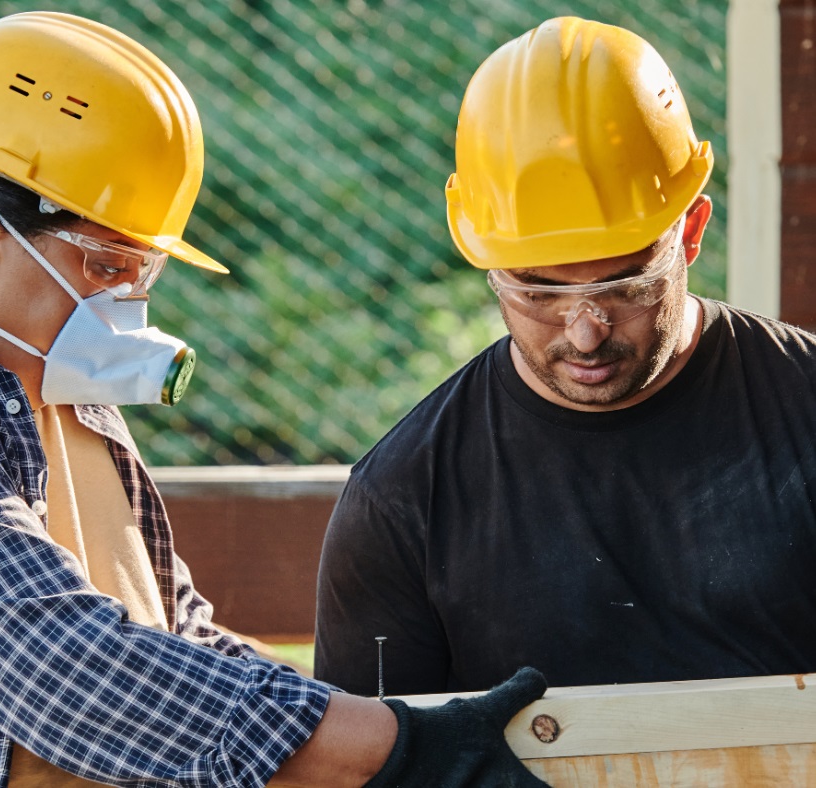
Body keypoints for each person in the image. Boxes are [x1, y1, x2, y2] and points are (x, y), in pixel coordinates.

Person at [0, 11, 550, 787]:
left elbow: (177, 635)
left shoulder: (69, 397)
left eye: (145, 271)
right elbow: (62, 667)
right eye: (105, 264)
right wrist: (399, 750)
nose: (128, 300)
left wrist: (365, 723)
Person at [315, 15, 816, 698]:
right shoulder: (405, 500)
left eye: (625, 285)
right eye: (538, 291)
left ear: (691, 232)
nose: (584, 332)